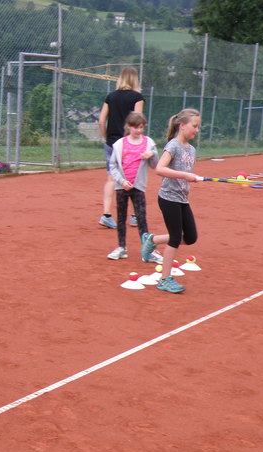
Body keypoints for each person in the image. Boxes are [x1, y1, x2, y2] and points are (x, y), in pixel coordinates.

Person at [141, 109, 201, 294]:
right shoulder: (173, 146)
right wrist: (185, 175)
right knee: (175, 237)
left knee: (190, 237)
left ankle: (153, 239)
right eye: (194, 126)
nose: (197, 130)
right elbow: (159, 168)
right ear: (182, 125)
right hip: (168, 198)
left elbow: (184, 176)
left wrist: (189, 178)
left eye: (198, 127)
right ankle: (165, 279)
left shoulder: (191, 150)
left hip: (182, 199)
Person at [106, 112, 162, 263]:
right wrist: (121, 181)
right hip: (122, 186)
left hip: (138, 187)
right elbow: (112, 166)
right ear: (128, 127)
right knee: (121, 218)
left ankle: (148, 250)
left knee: (141, 218)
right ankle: (121, 248)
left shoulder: (149, 143)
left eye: (141, 127)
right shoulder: (119, 144)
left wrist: (152, 154)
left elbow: (155, 165)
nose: (139, 131)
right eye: (136, 128)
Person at [98, 67, 144, 230]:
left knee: (111, 178)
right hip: (129, 143)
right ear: (134, 80)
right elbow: (137, 121)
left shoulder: (111, 96)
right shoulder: (137, 97)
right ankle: (134, 217)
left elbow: (101, 121)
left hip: (112, 143)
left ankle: (106, 215)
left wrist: (107, 137)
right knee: (133, 178)